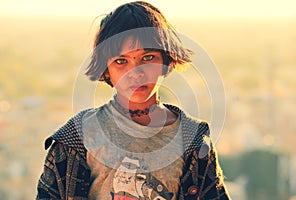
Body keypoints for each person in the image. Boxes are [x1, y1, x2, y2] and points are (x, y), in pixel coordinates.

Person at [36, 1, 231, 199]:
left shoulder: (192, 139)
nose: (135, 72)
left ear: (166, 62)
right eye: (121, 61)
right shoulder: (79, 137)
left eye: (147, 58)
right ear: (106, 71)